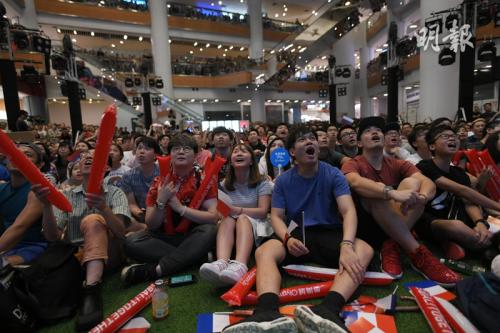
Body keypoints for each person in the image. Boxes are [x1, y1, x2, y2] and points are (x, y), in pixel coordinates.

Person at [223, 125, 373, 333]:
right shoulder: (284, 180)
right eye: (302, 140)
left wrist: (347, 245)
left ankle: (328, 310)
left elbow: (348, 211)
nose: (310, 142)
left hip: (328, 232)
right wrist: (286, 238)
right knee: (264, 251)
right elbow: (275, 216)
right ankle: (266, 312)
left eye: (312, 139)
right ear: (292, 152)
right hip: (295, 234)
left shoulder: (334, 174)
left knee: (364, 249)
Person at [341, 117, 460, 286]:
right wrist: (391, 193)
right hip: (366, 227)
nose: (375, 132)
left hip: (393, 222)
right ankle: (418, 254)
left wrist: (423, 198)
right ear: (359, 143)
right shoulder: (353, 163)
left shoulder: (397, 163)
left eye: (378, 130)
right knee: (376, 193)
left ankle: (392, 245)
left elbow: (428, 183)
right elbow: (355, 182)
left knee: (414, 184)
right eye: (368, 131)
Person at [32, 149, 131, 331]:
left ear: (107, 167)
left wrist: (103, 208)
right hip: (76, 257)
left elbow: (122, 234)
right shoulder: (66, 195)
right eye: (85, 156)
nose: (88, 158)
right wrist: (46, 205)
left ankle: (91, 290)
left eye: (96, 156)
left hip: (111, 253)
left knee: (92, 221)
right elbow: (52, 237)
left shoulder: (116, 193)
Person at [121, 134, 219, 286]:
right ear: (169, 154)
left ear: (195, 155)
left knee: (210, 230)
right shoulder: (159, 181)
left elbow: (213, 217)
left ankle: (157, 270)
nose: (180, 152)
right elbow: (151, 225)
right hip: (163, 236)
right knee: (131, 242)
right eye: (176, 149)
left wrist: (180, 208)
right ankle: (196, 256)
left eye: (186, 149)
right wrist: (161, 200)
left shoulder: (204, 179)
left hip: (193, 234)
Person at [416, 125, 500, 260]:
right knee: (457, 227)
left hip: (460, 218)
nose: (452, 139)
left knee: (481, 230)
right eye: (445, 136)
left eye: (454, 136)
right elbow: (463, 191)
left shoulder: (459, 173)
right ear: (432, 146)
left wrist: (480, 222)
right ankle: (489, 249)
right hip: (432, 221)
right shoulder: (424, 166)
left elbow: (469, 203)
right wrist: (497, 207)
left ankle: (456, 244)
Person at [200, 144, 273, 286]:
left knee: (242, 218)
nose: (239, 153)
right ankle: (221, 262)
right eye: (235, 151)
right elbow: (223, 211)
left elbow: (263, 211)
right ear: (231, 161)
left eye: (244, 151)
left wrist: (236, 210)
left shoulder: (262, 182)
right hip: (232, 224)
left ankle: (240, 265)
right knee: (227, 219)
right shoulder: (224, 184)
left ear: (252, 160)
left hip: (259, 224)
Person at [0, 144, 46, 265]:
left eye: (28, 154)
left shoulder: (38, 191)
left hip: (33, 247)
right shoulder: (2, 188)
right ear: (6, 161)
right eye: (15, 153)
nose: (19, 156)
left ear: (39, 165)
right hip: (6, 246)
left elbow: (19, 227)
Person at [120, 136, 160, 223]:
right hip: (140, 216)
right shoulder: (128, 176)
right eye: (139, 148)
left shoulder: (163, 173)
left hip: (161, 214)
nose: (141, 151)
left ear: (155, 155)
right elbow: (131, 204)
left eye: (147, 149)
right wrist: (141, 214)